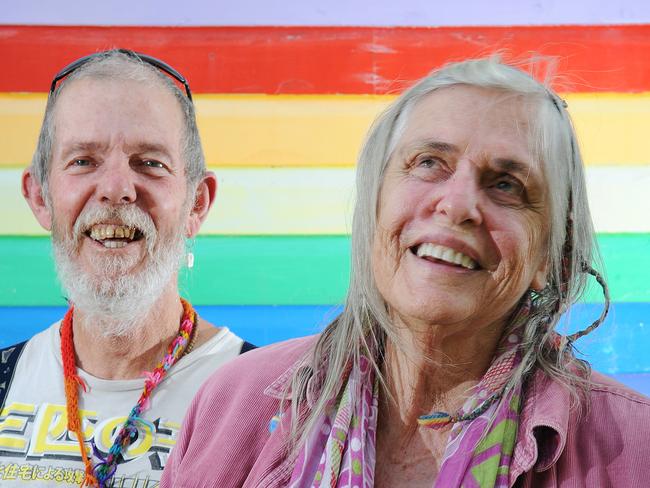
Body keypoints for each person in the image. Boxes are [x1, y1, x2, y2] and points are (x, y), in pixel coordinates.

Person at [162, 57, 650, 487]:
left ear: (550, 256)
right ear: (375, 205)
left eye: (506, 184)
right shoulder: (236, 405)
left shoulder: (632, 446)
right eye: (429, 162)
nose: (457, 204)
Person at [0, 50, 254, 487]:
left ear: (197, 203)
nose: (117, 189)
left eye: (150, 163)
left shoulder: (266, 404)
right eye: (83, 161)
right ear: (40, 197)